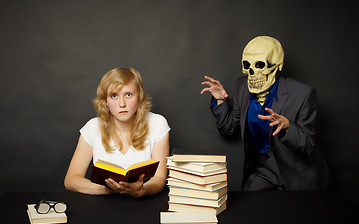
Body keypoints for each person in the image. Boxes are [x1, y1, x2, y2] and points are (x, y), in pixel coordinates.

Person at [201, 36, 331, 190]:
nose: (252, 72)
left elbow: (307, 147)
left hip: (298, 175)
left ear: (277, 66)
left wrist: (288, 126)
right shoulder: (242, 87)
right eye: (247, 65)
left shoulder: (302, 93)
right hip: (263, 172)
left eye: (260, 65)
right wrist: (221, 101)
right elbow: (228, 129)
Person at [64, 67, 170, 197]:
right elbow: (71, 180)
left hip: (144, 204)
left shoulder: (158, 124)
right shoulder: (92, 127)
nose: (122, 104)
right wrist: (107, 190)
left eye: (128, 94)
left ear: (139, 96)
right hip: (103, 206)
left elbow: (159, 179)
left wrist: (141, 191)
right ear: (106, 101)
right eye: (114, 96)